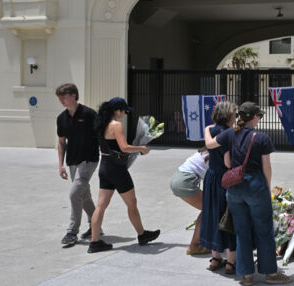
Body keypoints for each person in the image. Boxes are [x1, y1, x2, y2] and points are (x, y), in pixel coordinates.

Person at [207, 101, 291, 285]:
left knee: (241, 231)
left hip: (235, 187)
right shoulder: (261, 138)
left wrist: (208, 129)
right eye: (259, 115)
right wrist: (267, 188)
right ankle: (270, 273)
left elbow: (211, 144)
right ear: (254, 117)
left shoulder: (230, 133)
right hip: (255, 185)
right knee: (264, 230)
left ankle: (246, 275)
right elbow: (266, 167)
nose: (259, 118)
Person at [88, 97, 160, 253]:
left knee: (100, 206)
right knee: (131, 203)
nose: (126, 113)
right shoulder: (116, 125)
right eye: (125, 111)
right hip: (117, 170)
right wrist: (141, 148)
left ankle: (94, 242)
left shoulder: (101, 124)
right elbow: (124, 147)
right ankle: (142, 234)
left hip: (104, 167)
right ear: (118, 110)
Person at [55, 83, 100, 246]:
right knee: (84, 195)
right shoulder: (61, 118)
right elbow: (61, 142)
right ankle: (96, 224)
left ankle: (72, 232)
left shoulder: (89, 114)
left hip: (89, 160)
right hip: (72, 161)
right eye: (59, 98)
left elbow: (101, 135)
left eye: (64, 97)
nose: (61, 101)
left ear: (74, 95)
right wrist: (60, 165)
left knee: (75, 193)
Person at [200, 101, 237, 274]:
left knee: (212, 215)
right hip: (224, 179)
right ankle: (231, 262)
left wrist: (207, 129)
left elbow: (209, 146)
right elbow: (228, 162)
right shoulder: (228, 134)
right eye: (234, 114)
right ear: (229, 116)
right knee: (227, 218)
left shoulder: (212, 131)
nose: (236, 117)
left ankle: (215, 258)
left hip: (211, 178)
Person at [170, 147, 210, 255]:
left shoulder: (204, 151)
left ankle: (199, 243)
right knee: (209, 210)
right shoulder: (213, 155)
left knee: (207, 209)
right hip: (184, 181)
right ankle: (193, 246)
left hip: (179, 178)